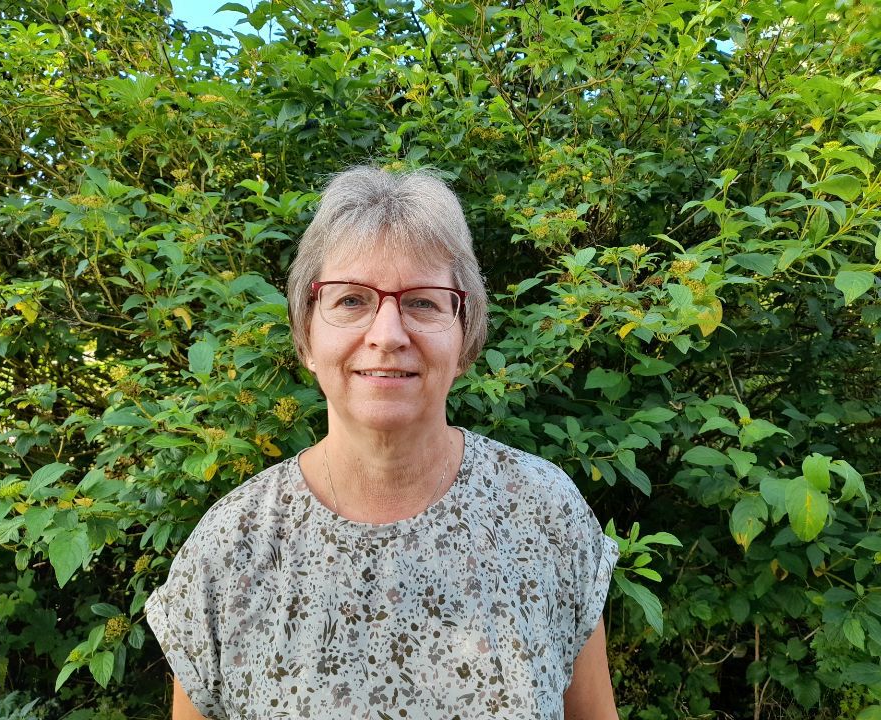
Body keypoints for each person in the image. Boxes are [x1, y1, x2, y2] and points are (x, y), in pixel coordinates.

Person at [146, 166, 620, 719]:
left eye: (422, 302)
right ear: (306, 335)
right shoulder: (231, 549)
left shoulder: (544, 513)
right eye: (351, 300)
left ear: (465, 337)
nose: (388, 334)